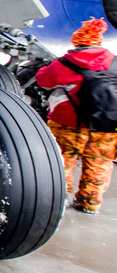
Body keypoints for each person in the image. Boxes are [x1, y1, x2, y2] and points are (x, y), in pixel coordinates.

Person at [36, 18, 116, 214]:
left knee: (61, 162)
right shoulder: (114, 62)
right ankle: (89, 203)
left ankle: (58, 199)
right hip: (106, 125)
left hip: (68, 124)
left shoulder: (66, 63)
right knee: (99, 164)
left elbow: (43, 80)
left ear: (77, 41)